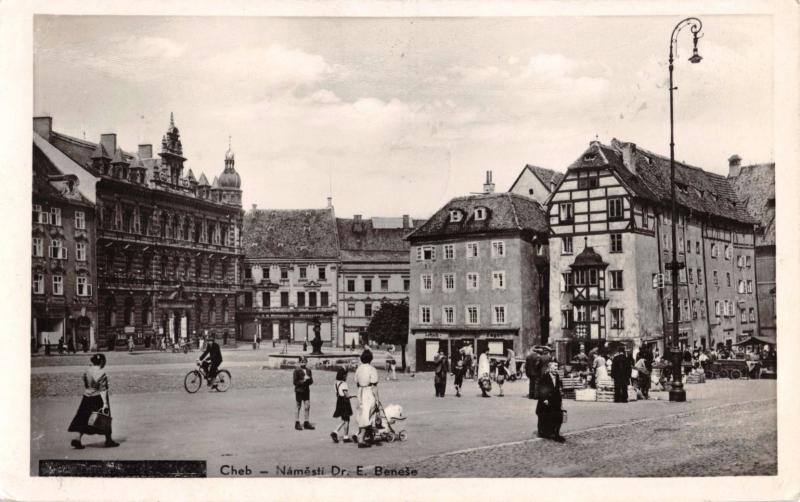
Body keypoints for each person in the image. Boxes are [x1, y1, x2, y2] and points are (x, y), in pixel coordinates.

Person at [68, 353, 120, 448]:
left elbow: (85, 381)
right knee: (104, 418)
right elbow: (103, 389)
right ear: (102, 362)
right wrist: (105, 403)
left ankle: (78, 439)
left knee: (84, 418)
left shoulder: (87, 370)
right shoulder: (101, 373)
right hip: (97, 398)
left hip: (87, 396)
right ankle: (108, 440)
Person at [536, 360, 565, 443]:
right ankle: (543, 432)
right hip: (547, 400)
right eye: (555, 366)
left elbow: (558, 387)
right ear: (550, 367)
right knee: (544, 417)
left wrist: (560, 398)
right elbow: (541, 388)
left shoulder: (557, 376)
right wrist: (544, 399)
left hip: (556, 399)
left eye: (557, 366)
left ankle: (556, 434)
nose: (556, 368)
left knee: (558, 417)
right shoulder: (545, 376)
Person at [355, 350, 379, 448]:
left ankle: (368, 436)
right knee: (369, 414)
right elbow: (374, 385)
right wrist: (377, 398)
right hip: (368, 392)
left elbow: (356, 381)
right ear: (371, 358)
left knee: (363, 413)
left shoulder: (359, 369)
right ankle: (361, 438)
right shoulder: (372, 369)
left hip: (360, 391)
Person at [331, 367, 356, 443]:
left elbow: (338, 393)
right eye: (346, 375)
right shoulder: (344, 384)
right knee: (347, 420)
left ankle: (336, 432)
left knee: (344, 419)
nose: (347, 377)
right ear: (344, 376)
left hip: (339, 401)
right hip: (345, 402)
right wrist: (354, 396)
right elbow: (346, 395)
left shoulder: (336, 383)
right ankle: (345, 437)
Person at [293, 356, 315, 431]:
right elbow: (295, 382)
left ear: (306, 362)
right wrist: (303, 380)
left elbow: (311, 381)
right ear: (299, 362)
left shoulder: (308, 370)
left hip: (306, 391)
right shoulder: (296, 370)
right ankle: (297, 422)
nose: (303, 362)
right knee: (298, 406)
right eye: (301, 361)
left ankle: (306, 422)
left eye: (304, 361)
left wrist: (309, 379)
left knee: (307, 406)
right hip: (299, 390)